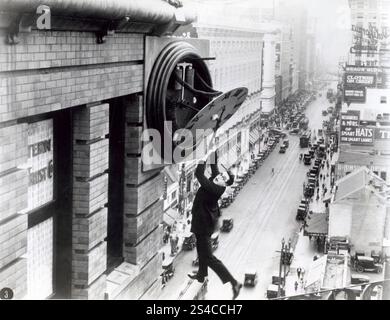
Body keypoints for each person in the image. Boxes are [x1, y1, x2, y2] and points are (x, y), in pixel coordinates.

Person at [188, 150, 242, 300]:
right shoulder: (217, 179)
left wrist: (203, 157)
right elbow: (214, 167)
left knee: (209, 257)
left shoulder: (216, 187)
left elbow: (199, 174)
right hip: (202, 221)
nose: (219, 176)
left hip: (204, 224)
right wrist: (212, 150)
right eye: (221, 174)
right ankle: (201, 275)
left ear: (225, 183)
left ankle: (234, 283)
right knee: (201, 250)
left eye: (223, 177)